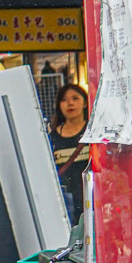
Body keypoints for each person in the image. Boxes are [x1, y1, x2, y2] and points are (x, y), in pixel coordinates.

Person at [49, 82, 91, 221]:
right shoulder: (52, 137)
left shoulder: (92, 132)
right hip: (66, 201)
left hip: (91, 196)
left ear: (85, 103)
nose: (70, 103)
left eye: (75, 98)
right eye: (64, 100)